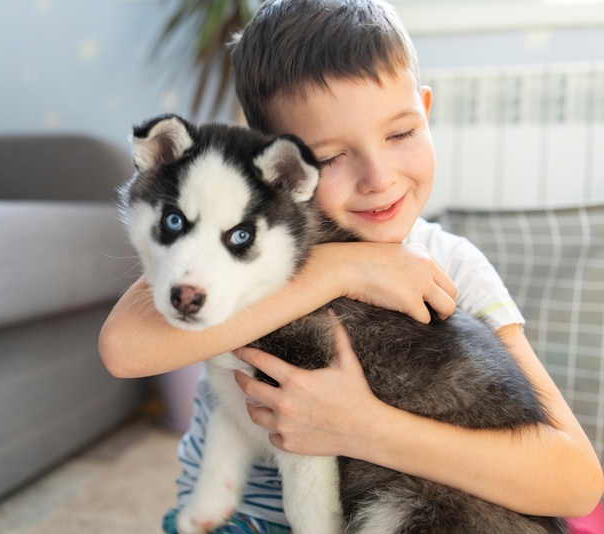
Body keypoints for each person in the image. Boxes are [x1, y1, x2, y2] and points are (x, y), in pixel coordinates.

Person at [98, 0, 604, 532]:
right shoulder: (235, 241)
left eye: (401, 133)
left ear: (425, 112)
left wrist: (363, 428)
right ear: (279, 161)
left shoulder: (453, 265)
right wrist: (348, 269)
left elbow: (576, 482)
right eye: (332, 157)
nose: (379, 178)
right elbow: (123, 349)